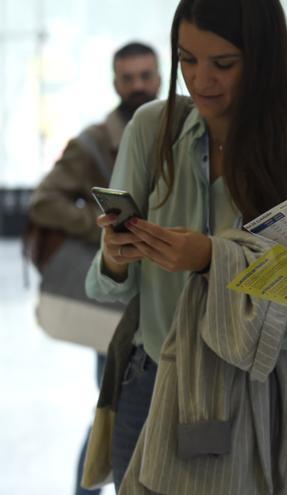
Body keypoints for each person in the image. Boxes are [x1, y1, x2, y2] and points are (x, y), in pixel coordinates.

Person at [84, 0, 287, 493]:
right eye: (186, 60)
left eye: (222, 64)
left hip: (260, 391)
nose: (200, 80)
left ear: (262, 60)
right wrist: (116, 256)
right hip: (153, 381)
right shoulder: (151, 130)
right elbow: (107, 287)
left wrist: (210, 262)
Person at [27, 40, 161, 495]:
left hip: (168, 291)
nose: (139, 86)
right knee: (114, 407)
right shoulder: (93, 142)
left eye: (146, 75)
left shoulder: (178, 133)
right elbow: (45, 200)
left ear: (160, 76)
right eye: (129, 78)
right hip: (117, 297)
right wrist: (102, 226)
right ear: (115, 83)